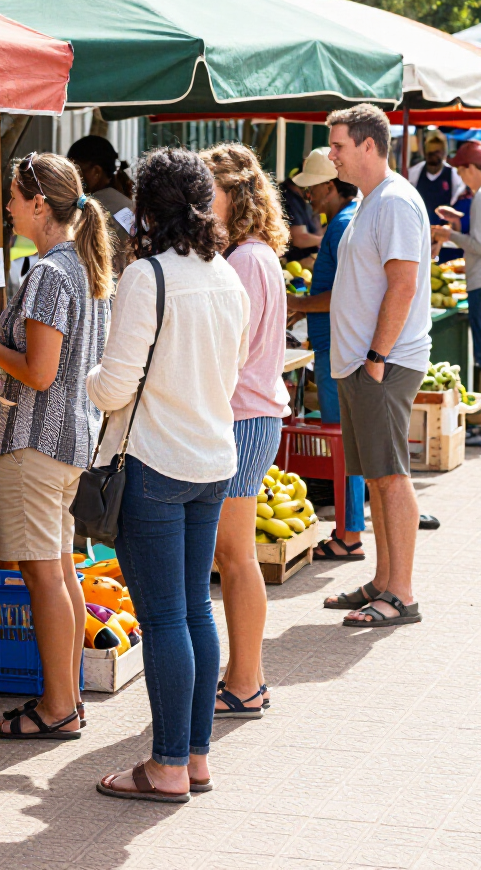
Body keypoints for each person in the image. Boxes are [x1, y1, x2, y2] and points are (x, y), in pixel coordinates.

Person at [89, 148, 250, 802]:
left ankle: (165, 766)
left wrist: (89, 378)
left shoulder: (147, 278)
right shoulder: (228, 277)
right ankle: (197, 757)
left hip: (154, 465)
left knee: (162, 620)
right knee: (192, 611)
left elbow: (114, 388)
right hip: (212, 460)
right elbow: (231, 373)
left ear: (148, 211)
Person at [0, 152, 112, 740]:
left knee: (44, 577)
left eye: (11, 197)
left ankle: (56, 707)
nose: (5, 207)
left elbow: (39, 372)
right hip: (70, 441)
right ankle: (67, 700)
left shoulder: (51, 273)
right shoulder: (80, 267)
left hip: (35, 442)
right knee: (61, 573)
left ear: (37, 204)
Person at [324, 105, 431, 627]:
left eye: (339, 145)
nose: (331, 155)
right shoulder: (373, 201)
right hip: (364, 365)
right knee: (376, 476)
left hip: (382, 364)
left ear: (370, 144)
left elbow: (403, 284)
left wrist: (376, 358)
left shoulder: (392, 202)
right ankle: (384, 582)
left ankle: (401, 594)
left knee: (390, 477)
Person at [200, 142, 289, 719]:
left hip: (245, 418)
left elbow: (229, 353)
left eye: (208, 192)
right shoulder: (253, 256)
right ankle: (243, 675)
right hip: (252, 416)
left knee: (235, 556)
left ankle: (247, 680)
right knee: (235, 556)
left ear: (234, 195)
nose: (201, 203)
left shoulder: (247, 261)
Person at [285, 151, 368, 558]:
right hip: (334, 344)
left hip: (337, 347)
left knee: (342, 442)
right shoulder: (343, 221)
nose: (308, 195)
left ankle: (349, 535)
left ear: (331, 187)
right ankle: (349, 529)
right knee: (345, 441)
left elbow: (340, 297)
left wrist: (294, 302)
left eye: (313, 188)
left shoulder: (341, 226)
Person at [432, 140, 481, 444]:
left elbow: (480, 245)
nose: (460, 177)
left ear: (470, 169)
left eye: (461, 170)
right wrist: (457, 224)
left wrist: (447, 233)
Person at [67, 135, 135, 273]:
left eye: (74, 171)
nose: (71, 179)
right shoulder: (128, 205)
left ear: (96, 171)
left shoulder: (86, 208)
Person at [409, 128, 465, 228]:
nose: (433, 156)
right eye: (430, 152)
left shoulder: (454, 175)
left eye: (437, 152)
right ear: (425, 152)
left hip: (443, 232)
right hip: (418, 228)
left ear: (443, 153)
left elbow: (457, 209)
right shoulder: (414, 173)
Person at [280, 169, 323, 267]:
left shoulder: (303, 200)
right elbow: (300, 238)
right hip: (293, 264)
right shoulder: (289, 197)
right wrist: (327, 240)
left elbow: (318, 231)